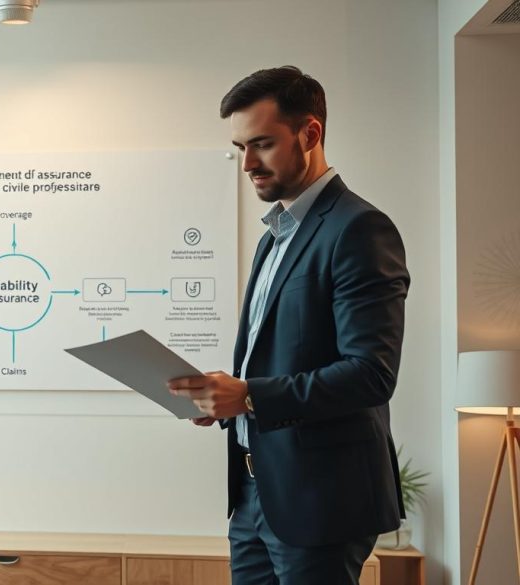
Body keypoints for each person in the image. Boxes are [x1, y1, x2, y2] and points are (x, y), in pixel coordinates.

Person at [168, 67, 410, 585]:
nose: (247, 164)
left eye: (262, 144)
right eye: (240, 147)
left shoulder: (359, 229)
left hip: (321, 500)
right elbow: (280, 356)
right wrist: (224, 399)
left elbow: (371, 373)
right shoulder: (274, 236)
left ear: (310, 133)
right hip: (254, 493)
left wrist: (249, 395)